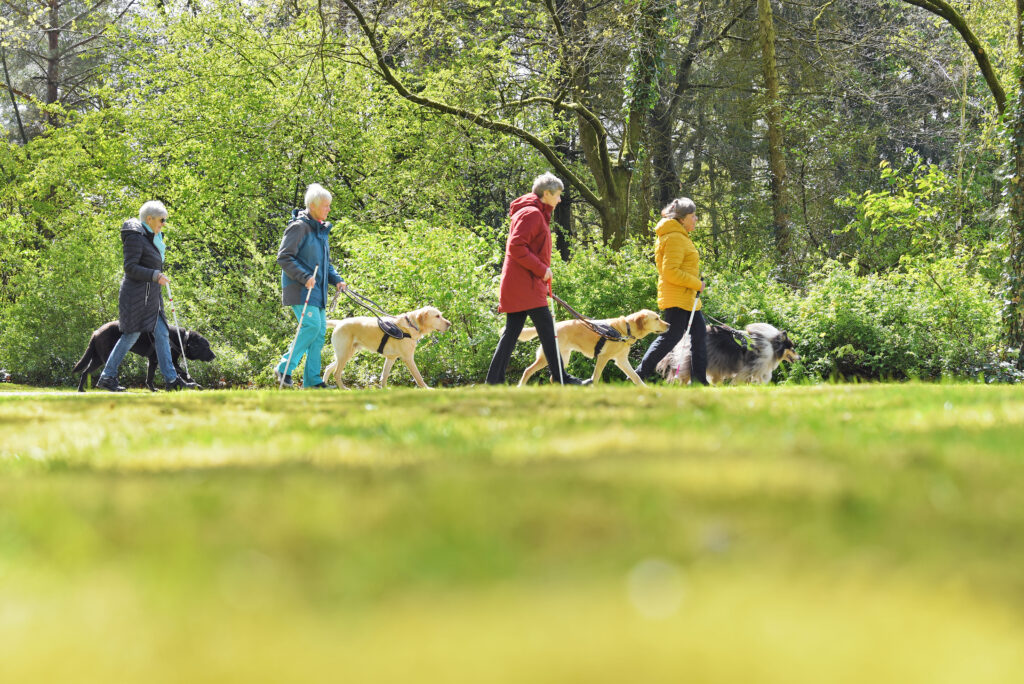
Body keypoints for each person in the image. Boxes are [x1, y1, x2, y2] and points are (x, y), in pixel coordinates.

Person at [486, 172, 583, 385]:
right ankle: (561, 378)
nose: (559, 200)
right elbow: (516, 246)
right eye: (557, 195)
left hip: (525, 284)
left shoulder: (534, 213)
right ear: (546, 193)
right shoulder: (532, 214)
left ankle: (493, 382)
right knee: (547, 331)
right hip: (526, 285)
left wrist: (541, 271)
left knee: (513, 332)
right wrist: (542, 270)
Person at [96, 200, 196, 392]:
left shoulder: (152, 238)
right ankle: (107, 376)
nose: (164, 223)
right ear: (149, 219)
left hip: (151, 297)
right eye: (161, 220)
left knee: (162, 333)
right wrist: (154, 275)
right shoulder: (135, 237)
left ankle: (171, 380)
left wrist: (156, 276)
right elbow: (130, 267)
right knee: (131, 335)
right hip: (136, 297)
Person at [274, 183, 346, 389]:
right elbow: (284, 257)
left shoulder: (320, 230)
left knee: (319, 331)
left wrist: (337, 279)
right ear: (313, 206)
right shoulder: (299, 227)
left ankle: (313, 382)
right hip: (300, 288)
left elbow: (325, 264)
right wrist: (305, 276)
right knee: (312, 326)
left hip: (318, 291)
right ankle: (283, 368)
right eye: (326, 206)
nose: (329, 209)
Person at [634, 197, 709, 385]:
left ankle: (700, 382)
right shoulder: (675, 237)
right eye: (693, 216)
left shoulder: (679, 235)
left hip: (687, 298)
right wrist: (695, 283)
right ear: (682, 218)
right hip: (678, 297)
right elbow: (670, 272)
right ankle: (636, 376)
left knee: (699, 336)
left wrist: (694, 285)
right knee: (670, 337)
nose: (696, 219)